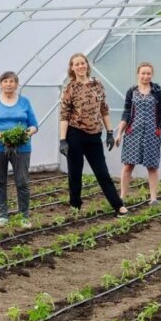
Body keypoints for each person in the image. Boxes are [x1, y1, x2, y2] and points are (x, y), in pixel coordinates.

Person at [59, 53, 127, 216]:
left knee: (102, 172)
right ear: (72, 68)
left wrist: (110, 132)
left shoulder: (97, 84)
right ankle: (75, 206)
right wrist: (63, 139)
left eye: (83, 63)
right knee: (75, 172)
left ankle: (118, 205)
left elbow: (104, 109)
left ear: (87, 65)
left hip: (94, 135)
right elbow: (64, 115)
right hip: (75, 134)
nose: (81, 66)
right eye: (77, 64)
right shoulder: (70, 88)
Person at [0, 71, 39, 228]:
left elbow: (34, 124)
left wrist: (25, 134)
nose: (8, 84)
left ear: (16, 84)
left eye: (12, 81)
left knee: (22, 182)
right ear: (0, 84)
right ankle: (3, 216)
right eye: (5, 81)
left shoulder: (24, 102)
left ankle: (24, 217)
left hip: (22, 148)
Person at [115, 62, 161, 205]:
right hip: (132, 133)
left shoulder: (157, 91)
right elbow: (126, 113)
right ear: (138, 74)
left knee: (152, 166)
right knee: (128, 165)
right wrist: (119, 133)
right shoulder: (132, 91)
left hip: (151, 134)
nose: (145, 76)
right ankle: (122, 197)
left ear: (152, 75)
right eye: (143, 73)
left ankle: (153, 198)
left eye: (148, 73)